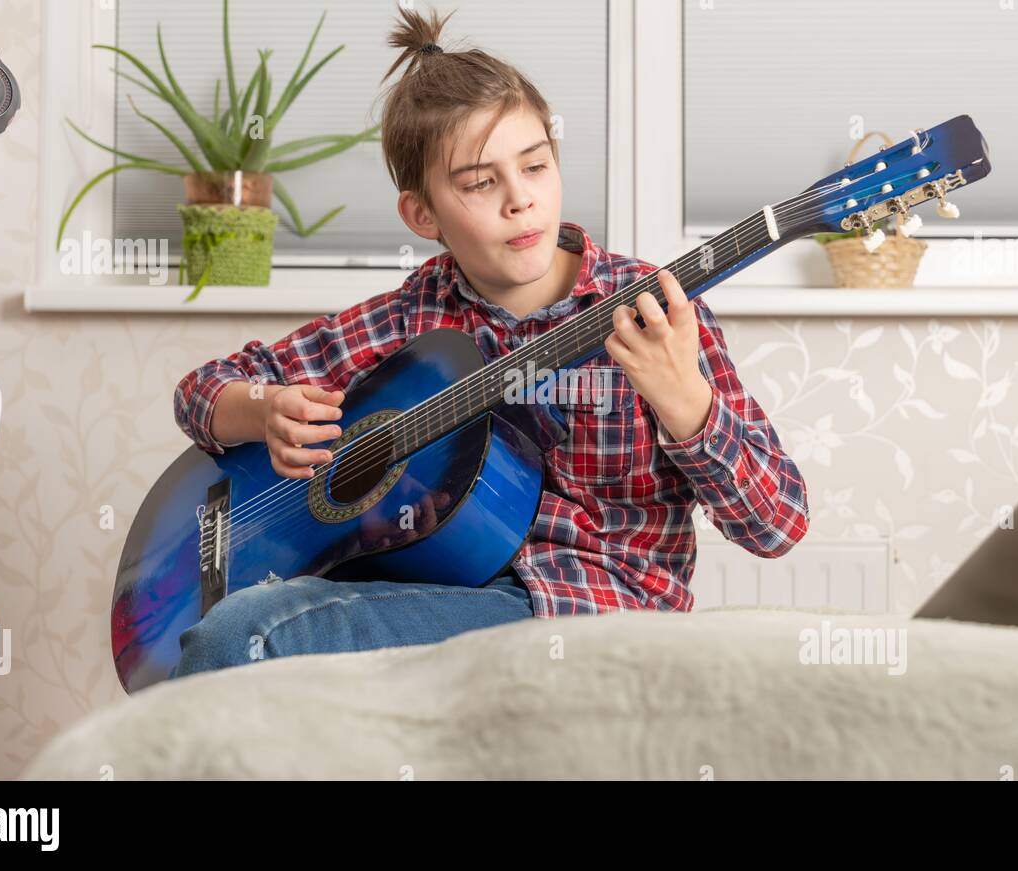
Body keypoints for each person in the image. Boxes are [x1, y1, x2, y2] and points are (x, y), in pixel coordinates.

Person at [168, 6, 809, 679]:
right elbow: (200, 389)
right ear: (422, 213)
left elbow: (778, 524)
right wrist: (261, 408)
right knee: (235, 628)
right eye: (480, 182)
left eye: (534, 167)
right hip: (437, 594)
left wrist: (687, 404)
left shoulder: (657, 309)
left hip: (588, 611)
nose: (520, 200)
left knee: (242, 636)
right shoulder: (413, 318)